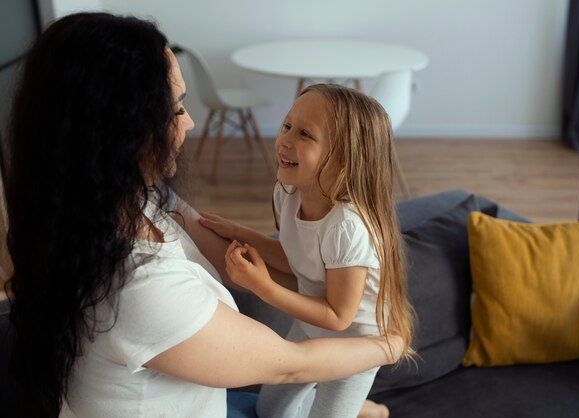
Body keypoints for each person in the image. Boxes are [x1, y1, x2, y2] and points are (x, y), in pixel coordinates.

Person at [3, 13, 403, 417]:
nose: (191, 122)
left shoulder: (118, 202)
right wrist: (389, 346)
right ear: (123, 130)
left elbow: (247, 252)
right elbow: (288, 366)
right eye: (177, 108)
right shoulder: (140, 289)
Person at [198, 84, 416, 418]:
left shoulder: (347, 227)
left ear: (343, 158)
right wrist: (239, 232)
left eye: (304, 134)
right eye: (287, 126)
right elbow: (299, 259)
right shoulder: (287, 194)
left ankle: (367, 411)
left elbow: (338, 316)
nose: (284, 139)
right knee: (271, 411)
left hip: (354, 349)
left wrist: (263, 287)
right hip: (311, 328)